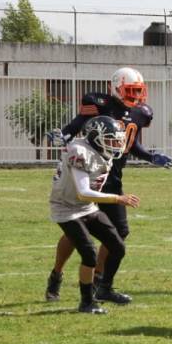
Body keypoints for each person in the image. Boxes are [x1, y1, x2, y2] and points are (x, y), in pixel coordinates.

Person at [45, 67, 172, 305]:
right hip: (89, 172)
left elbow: (130, 145)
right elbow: (77, 124)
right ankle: (56, 274)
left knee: (119, 234)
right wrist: (63, 134)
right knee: (76, 232)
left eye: (138, 91)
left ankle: (101, 283)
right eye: (131, 90)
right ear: (115, 87)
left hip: (112, 178)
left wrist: (151, 157)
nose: (136, 96)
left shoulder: (138, 114)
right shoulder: (98, 103)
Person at [49, 116, 140, 314]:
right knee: (89, 254)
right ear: (94, 137)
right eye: (110, 140)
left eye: (117, 140)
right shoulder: (79, 152)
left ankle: (103, 289)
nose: (115, 145)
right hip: (66, 207)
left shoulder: (99, 151)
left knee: (117, 246)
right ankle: (86, 302)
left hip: (87, 206)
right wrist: (118, 198)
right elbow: (83, 191)